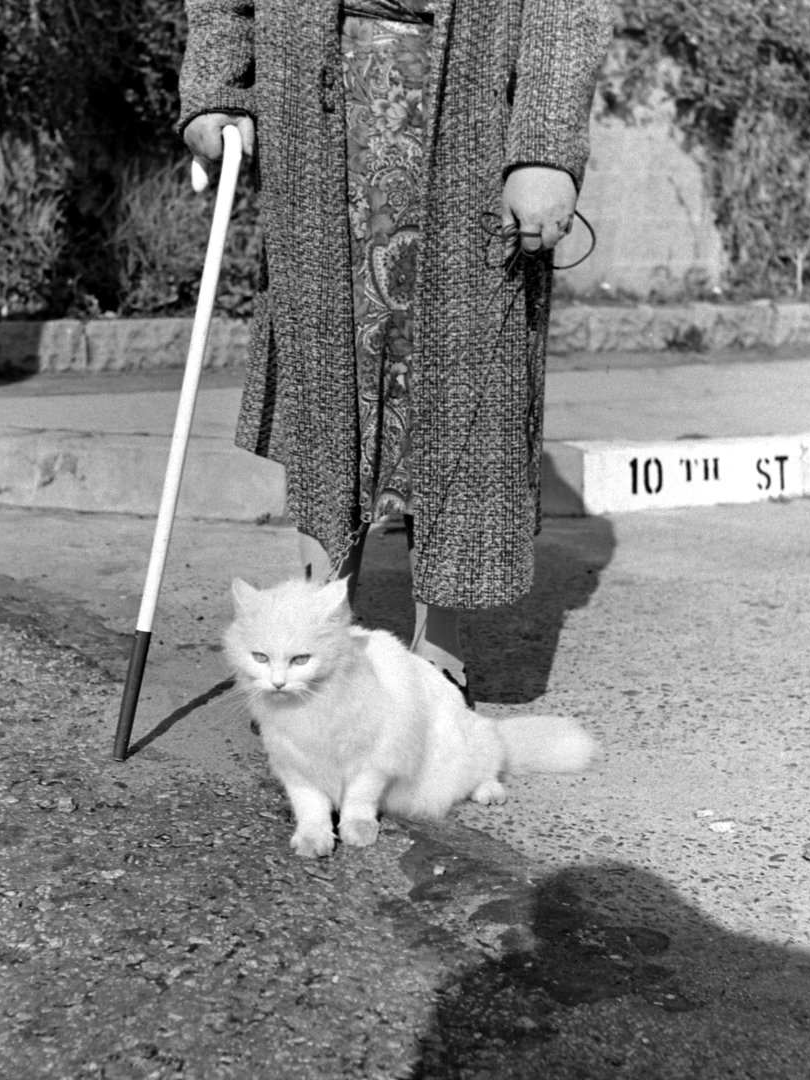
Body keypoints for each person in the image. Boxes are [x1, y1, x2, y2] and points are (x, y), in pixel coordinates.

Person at [178, 0, 613, 698]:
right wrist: (216, 89)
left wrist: (545, 149)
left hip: (471, 113)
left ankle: (437, 647)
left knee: (466, 374)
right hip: (315, 108)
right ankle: (319, 633)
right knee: (325, 368)